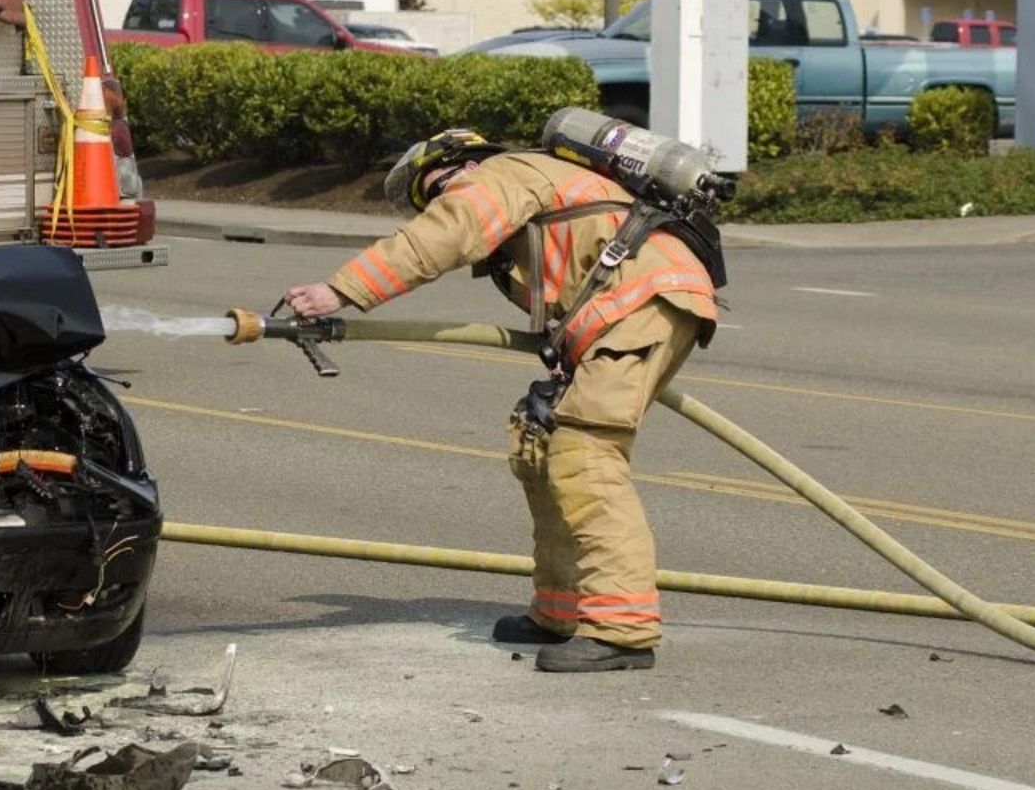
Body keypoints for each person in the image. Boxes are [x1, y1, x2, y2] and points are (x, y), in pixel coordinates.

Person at [283, 128, 718, 673]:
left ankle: (622, 628)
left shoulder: (504, 174)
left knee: (586, 454)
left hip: (643, 301)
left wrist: (341, 290)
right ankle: (559, 612)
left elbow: (444, 235)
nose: (440, 205)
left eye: (437, 192)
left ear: (460, 166)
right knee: (542, 446)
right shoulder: (534, 188)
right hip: (624, 308)